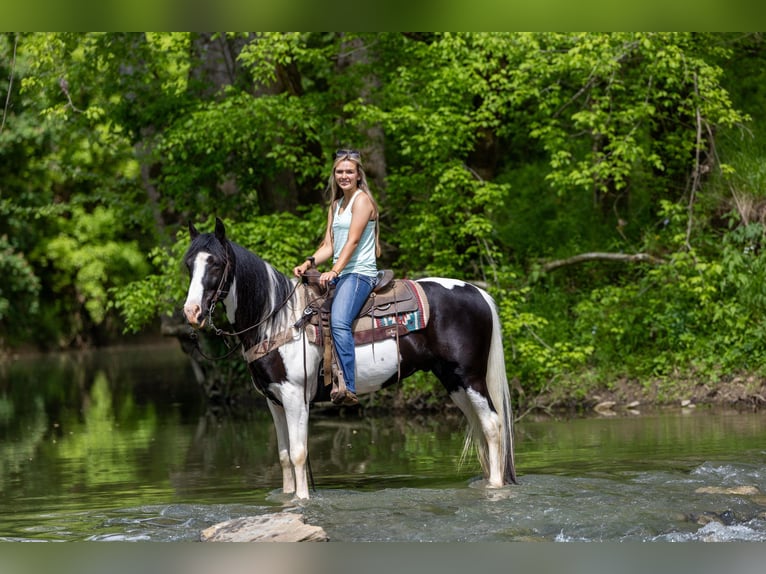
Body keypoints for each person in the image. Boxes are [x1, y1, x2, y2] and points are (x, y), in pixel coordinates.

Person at [293, 149, 380, 406]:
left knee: (340, 322)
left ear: (358, 175)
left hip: (359, 274)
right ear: (335, 175)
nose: (344, 176)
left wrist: (334, 270)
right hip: (341, 273)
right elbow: (330, 245)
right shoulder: (336, 205)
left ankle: (348, 386)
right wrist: (309, 262)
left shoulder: (362, 201)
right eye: (339, 172)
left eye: (349, 172)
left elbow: (352, 242)